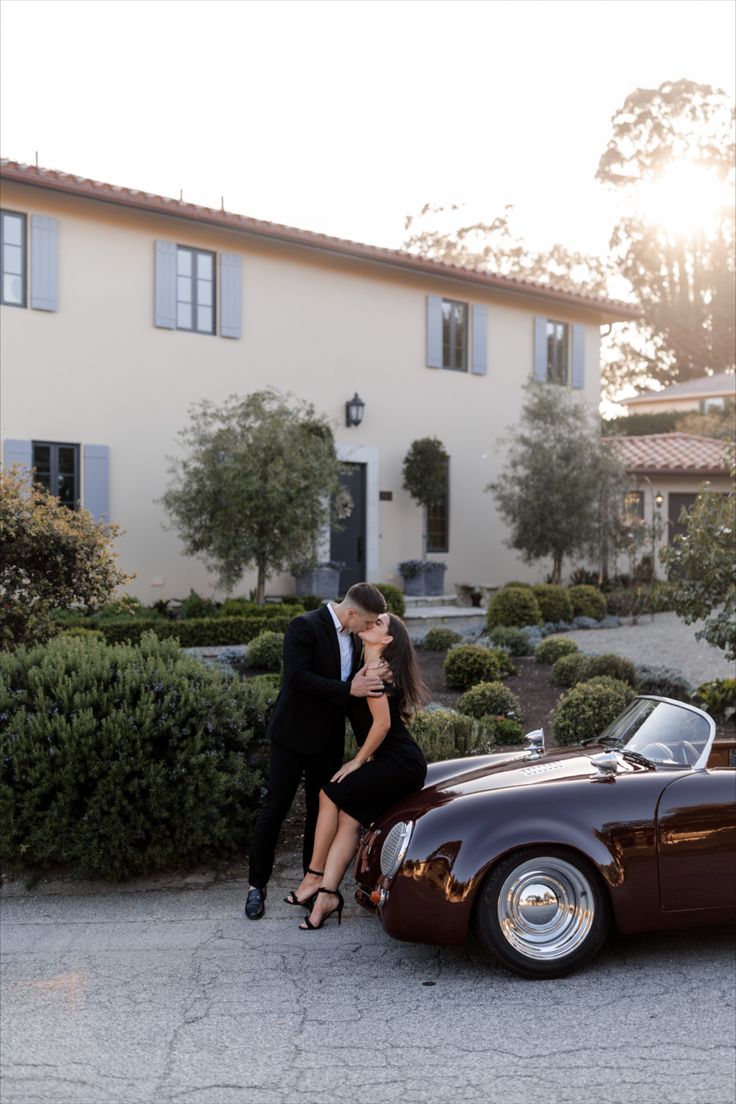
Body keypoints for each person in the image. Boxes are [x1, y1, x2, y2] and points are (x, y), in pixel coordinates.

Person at [245, 582, 388, 920]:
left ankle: (311, 884)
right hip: (291, 736)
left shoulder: (355, 638)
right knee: (275, 808)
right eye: (367, 622)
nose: (368, 628)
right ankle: (256, 886)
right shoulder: (303, 626)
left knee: (318, 813)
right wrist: (347, 688)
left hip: (328, 738)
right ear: (351, 612)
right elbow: (296, 679)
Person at [284, 611, 430, 931]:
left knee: (327, 793)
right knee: (348, 819)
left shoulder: (378, 670)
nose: (371, 623)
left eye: (378, 624)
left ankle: (313, 876)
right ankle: (327, 897)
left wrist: (358, 761)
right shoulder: (367, 667)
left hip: (399, 761)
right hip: (392, 760)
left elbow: (382, 724)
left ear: (387, 639)